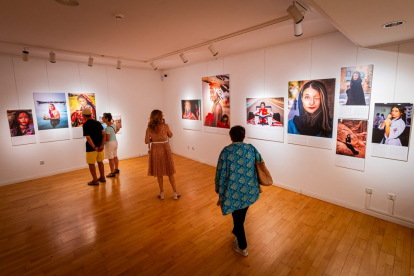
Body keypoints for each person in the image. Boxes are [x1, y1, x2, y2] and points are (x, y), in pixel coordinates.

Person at [215, 125, 262, 257]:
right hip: (249, 189)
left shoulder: (226, 151)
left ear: (231, 137)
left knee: (237, 218)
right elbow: (260, 161)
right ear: (244, 136)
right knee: (241, 212)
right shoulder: (251, 148)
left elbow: (219, 171)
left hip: (233, 191)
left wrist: (218, 187)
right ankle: (236, 231)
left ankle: (243, 247)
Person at [145, 110, 180, 200]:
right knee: (170, 172)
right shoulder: (165, 126)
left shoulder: (149, 128)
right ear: (160, 117)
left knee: (159, 172)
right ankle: (175, 192)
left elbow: (146, 141)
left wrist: (155, 140)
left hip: (155, 150)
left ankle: (162, 192)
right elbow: (170, 135)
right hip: (165, 150)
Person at [82, 108, 106, 186]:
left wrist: (94, 147)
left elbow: (88, 138)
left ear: (84, 116)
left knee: (91, 164)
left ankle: (95, 180)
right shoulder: (98, 123)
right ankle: (102, 177)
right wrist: (102, 145)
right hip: (100, 147)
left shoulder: (85, 125)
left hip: (91, 148)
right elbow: (104, 134)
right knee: (100, 162)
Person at [102, 113, 120, 178]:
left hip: (110, 143)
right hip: (115, 141)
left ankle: (112, 172)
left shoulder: (107, 128)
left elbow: (108, 138)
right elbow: (118, 129)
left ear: (107, 119)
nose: (102, 118)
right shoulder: (113, 125)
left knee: (111, 158)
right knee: (115, 156)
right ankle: (116, 169)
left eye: (103, 117)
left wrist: (103, 137)